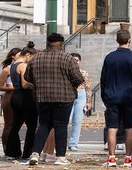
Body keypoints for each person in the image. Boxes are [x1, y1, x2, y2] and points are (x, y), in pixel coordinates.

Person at [23, 33, 86, 166]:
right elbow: (79, 78)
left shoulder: (36, 58)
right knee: (61, 126)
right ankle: (60, 156)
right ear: (61, 44)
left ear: (48, 43)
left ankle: (35, 153)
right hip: (64, 97)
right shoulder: (68, 59)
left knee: (44, 125)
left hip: (43, 97)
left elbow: (28, 77)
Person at [101, 29, 132, 167]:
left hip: (113, 97)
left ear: (117, 41)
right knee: (130, 127)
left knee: (112, 127)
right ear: (129, 41)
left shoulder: (109, 57)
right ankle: (128, 157)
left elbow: (103, 79)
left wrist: (105, 97)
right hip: (130, 97)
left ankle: (112, 157)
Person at [6, 47, 38, 160]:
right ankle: (27, 153)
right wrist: (34, 84)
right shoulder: (23, 65)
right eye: (32, 58)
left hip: (15, 96)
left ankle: (12, 151)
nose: (31, 61)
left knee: (15, 125)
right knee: (32, 126)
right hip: (25, 98)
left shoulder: (13, 65)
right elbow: (25, 84)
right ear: (28, 55)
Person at [0, 47, 22, 159]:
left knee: (16, 124)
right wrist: (13, 88)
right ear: (13, 56)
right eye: (19, 54)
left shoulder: (22, 67)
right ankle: (7, 148)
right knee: (9, 124)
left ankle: (16, 149)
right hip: (10, 96)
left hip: (21, 97)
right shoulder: (7, 69)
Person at [67, 53, 91, 151]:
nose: (75, 62)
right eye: (73, 60)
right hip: (69, 95)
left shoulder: (84, 73)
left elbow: (88, 88)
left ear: (80, 61)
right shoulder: (67, 72)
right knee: (66, 120)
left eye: (77, 60)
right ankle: (61, 142)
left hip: (81, 95)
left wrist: (89, 101)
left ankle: (73, 143)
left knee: (77, 121)